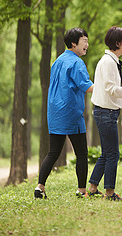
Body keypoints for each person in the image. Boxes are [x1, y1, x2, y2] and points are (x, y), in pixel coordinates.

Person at [34, 27, 94, 199]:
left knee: (53, 152)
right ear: (73, 43)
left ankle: (40, 187)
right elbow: (88, 86)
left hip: (55, 112)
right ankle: (82, 191)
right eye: (84, 41)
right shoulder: (76, 62)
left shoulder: (57, 61)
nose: (87, 45)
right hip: (71, 112)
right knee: (81, 153)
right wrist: (109, 88)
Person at [87, 26, 122, 201]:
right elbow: (112, 90)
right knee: (112, 154)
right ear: (118, 43)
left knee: (107, 153)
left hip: (106, 112)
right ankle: (110, 193)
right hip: (106, 113)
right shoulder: (108, 62)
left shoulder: (109, 61)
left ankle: (93, 188)